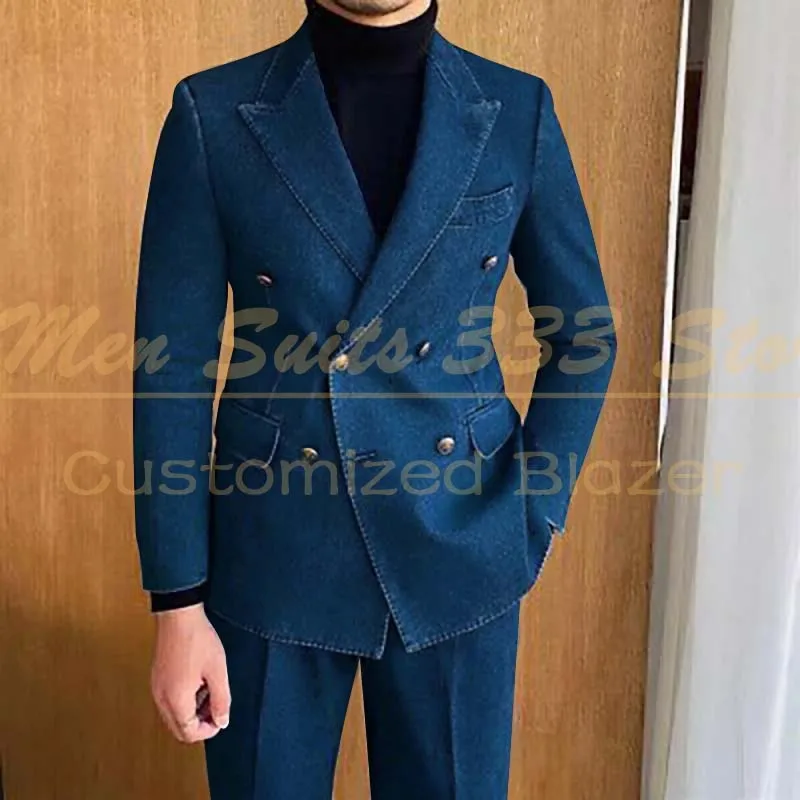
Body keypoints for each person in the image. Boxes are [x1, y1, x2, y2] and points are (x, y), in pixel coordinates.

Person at [132, 0, 617, 796]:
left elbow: (586, 336)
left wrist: (534, 513)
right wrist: (177, 599)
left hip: (462, 546)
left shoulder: (514, 109)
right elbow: (170, 369)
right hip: (274, 553)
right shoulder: (212, 113)